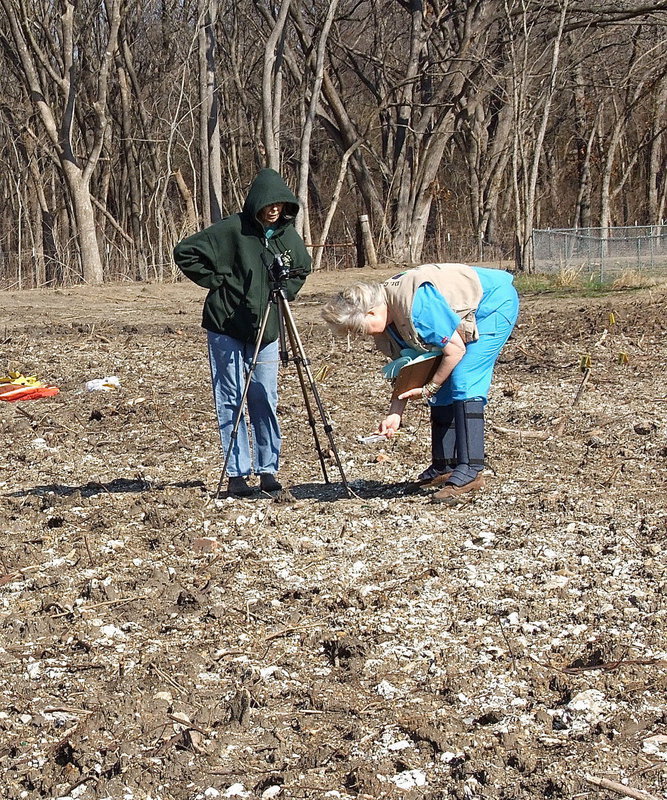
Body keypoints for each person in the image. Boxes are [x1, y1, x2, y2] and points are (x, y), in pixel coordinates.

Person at [322, 263, 519, 503]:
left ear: (371, 312)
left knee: (464, 377)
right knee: (444, 377)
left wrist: (430, 388)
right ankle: (444, 464)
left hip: (493, 304)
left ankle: (471, 469)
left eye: (358, 329)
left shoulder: (416, 306)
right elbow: (411, 369)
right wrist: (394, 414)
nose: (361, 336)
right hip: (466, 316)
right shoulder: (386, 323)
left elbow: (454, 351)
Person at [174, 169, 311, 496]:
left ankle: (268, 470)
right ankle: (237, 474)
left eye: (279, 204)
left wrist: (284, 291)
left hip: (266, 330)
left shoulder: (288, 237)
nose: (274, 210)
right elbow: (185, 252)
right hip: (226, 326)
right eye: (268, 204)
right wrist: (219, 281)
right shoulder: (232, 230)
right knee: (231, 397)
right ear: (256, 203)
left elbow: (302, 267)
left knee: (264, 396)